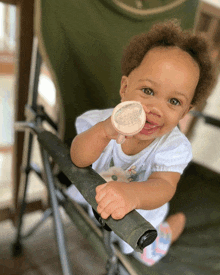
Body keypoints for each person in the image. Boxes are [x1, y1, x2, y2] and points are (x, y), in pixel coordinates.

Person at [68, 19, 217, 267]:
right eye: (148, 91)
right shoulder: (100, 122)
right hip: (96, 200)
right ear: (125, 87)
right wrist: (104, 131)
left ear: (184, 113)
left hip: (141, 215)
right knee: (91, 218)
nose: (156, 108)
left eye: (174, 102)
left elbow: (164, 186)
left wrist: (132, 195)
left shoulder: (173, 146)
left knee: (146, 252)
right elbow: (78, 158)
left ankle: (169, 229)